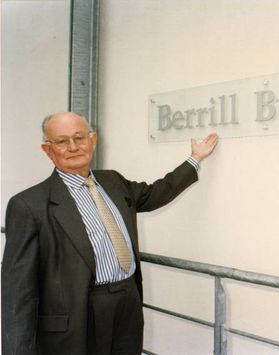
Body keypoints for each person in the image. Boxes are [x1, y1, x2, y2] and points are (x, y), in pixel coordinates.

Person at [1, 112, 218, 355]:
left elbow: (156, 194)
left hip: (127, 300)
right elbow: (17, 293)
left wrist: (195, 159)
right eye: (62, 141)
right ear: (47, 150)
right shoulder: (29, 205)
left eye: (79, 137)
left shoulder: (113, 181)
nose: (73, 147)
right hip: (78, 314)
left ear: (93, 141)